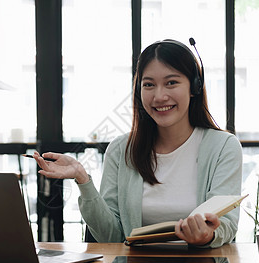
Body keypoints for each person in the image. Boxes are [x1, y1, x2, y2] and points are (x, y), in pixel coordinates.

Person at [33, 39, 242, 248]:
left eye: (171, 82)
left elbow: (226, 224)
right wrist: (83, 180)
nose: (159, 96)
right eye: (149, 85)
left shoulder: (223, 147)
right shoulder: (121, 150)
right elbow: (111, 236)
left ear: (194, 87)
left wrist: (207, 234)